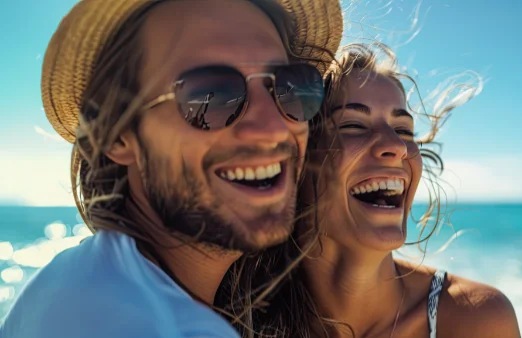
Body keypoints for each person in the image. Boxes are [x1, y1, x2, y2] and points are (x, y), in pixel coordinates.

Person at [0, 0, 342, 337]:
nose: (273, 128)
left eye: (290, 86)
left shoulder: (67, 280)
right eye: (211, 94)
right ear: (118, 133)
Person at [239, 43, 521, 337]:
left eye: (403, 130)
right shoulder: (232, 318)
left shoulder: (476, 319)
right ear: (298, 154)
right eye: (354, 125)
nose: (397, 146)